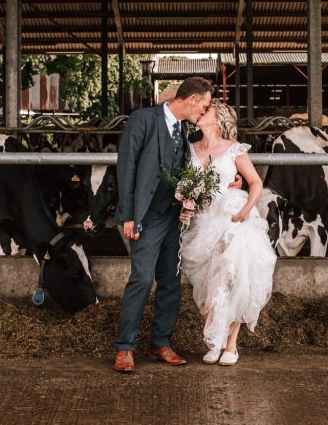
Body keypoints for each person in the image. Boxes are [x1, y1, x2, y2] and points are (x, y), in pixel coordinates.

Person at [113, 76, 214, 373]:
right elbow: (127, 166)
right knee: (142, 279)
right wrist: (129, 215)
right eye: (204, 105)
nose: (204, 112)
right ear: (192, 99)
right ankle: (124, 347)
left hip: (173, 217)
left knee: (170, 281)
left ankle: (160, 342)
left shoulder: (183, 129)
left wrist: (188, 203)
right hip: (146, 216)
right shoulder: (143, 119)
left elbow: (191, 166)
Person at [180, 100, 277, 366]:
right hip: (201, 220)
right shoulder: (188, 148)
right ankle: (215, 339)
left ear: (218, 118)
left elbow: (255, 181)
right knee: (204, 285)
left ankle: (231, 344)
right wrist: (185, 204)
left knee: (230, 278)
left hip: (230, 216)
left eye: (206, 110)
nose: (201, 113)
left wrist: (246, 209)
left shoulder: (234, 149)